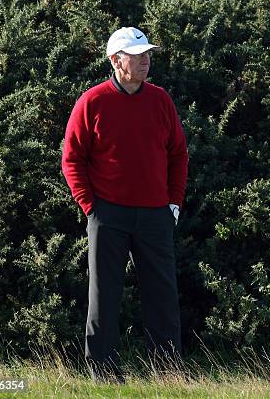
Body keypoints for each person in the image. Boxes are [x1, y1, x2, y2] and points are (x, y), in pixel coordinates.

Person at [61, 26, 188, 383]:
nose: (146, 60)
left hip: (155, 214)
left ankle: (167, 373)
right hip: (108, 214)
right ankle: (101, 373)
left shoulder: (160, 99)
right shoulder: (92, 101)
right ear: (117, 61)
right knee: (104, 295)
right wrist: (90, 207)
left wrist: (173, 204)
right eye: (138, 55)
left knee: (163, 296)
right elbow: (72, 159)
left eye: (148, 54)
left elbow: (178, 153)